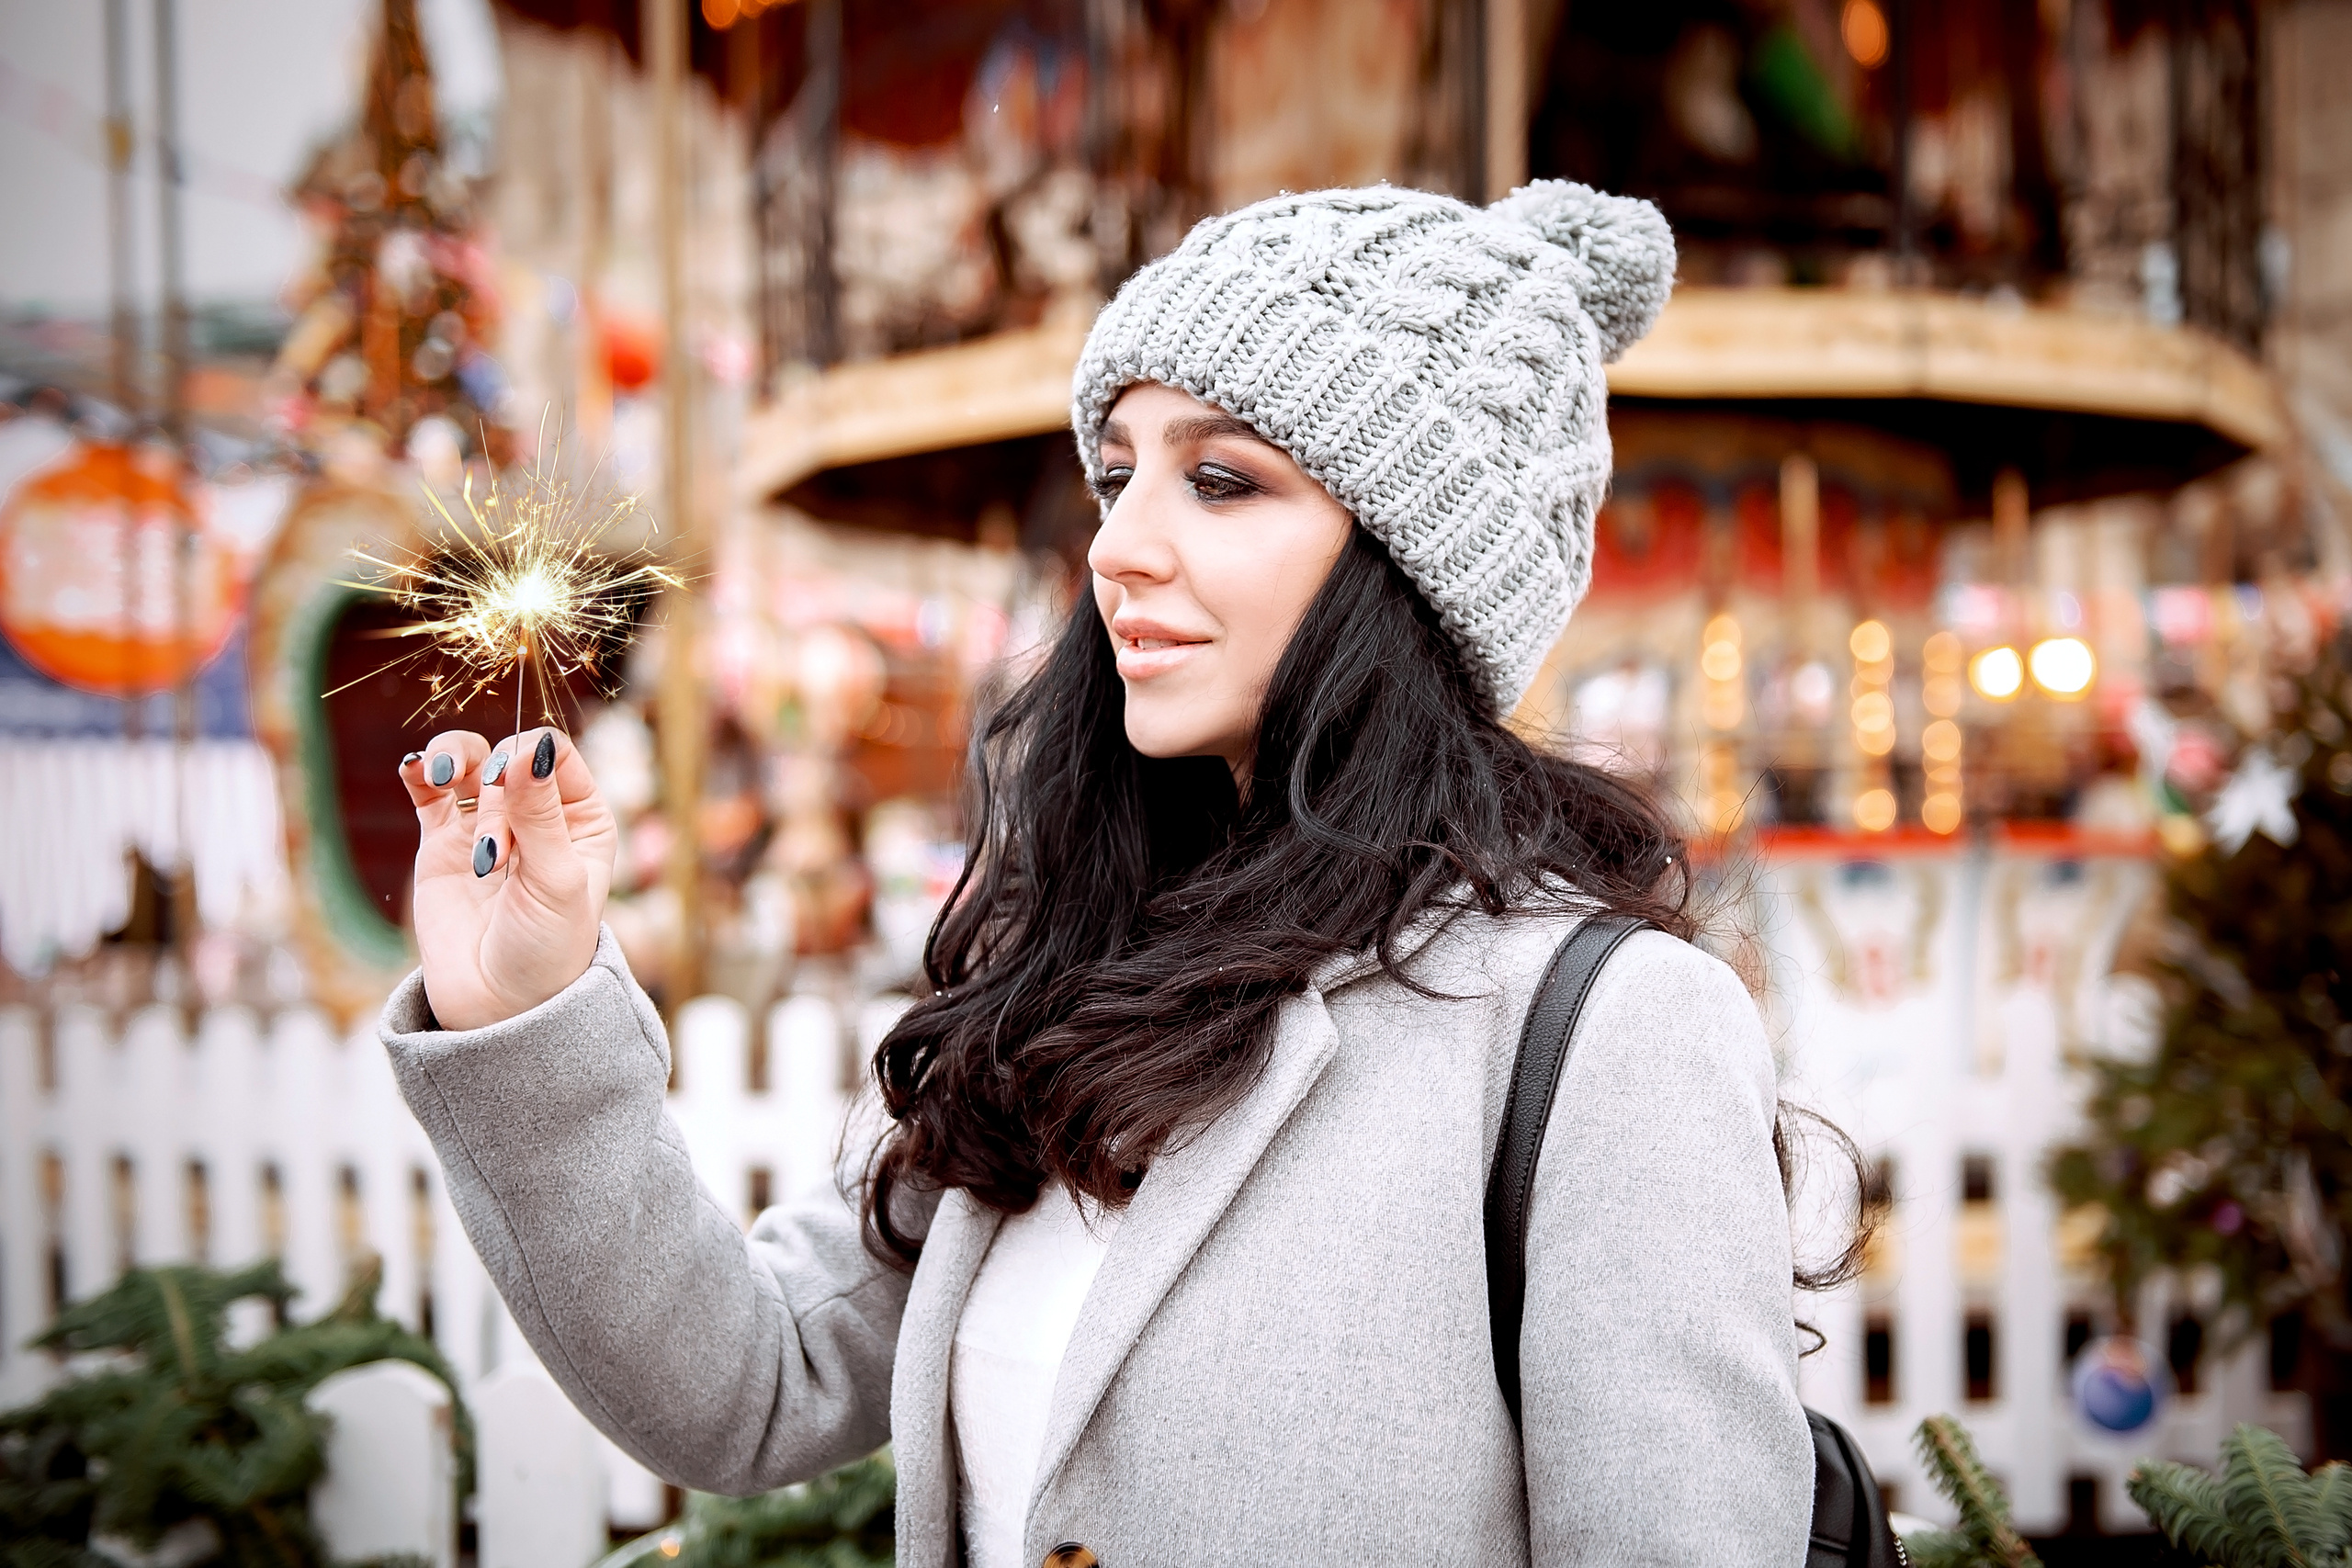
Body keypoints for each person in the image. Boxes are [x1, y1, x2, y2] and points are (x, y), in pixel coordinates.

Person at [386, 181, 1815, 1568]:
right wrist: (531, 1008)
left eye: (1219, 478)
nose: (1119, 549)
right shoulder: (1072, 976)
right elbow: (745, 1384)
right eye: (1119, 475)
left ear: (1412, 565)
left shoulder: (1602, 1029)